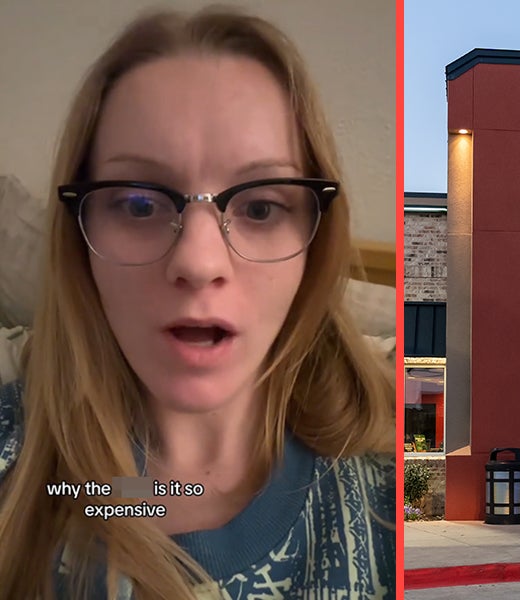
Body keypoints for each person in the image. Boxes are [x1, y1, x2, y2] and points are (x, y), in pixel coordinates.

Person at [0, 6, 396, 599]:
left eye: (260, 207)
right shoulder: (20, 461)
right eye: (138, 204)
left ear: (315, 245)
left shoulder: (402, 496)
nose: (198, 263)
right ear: (78, 240)